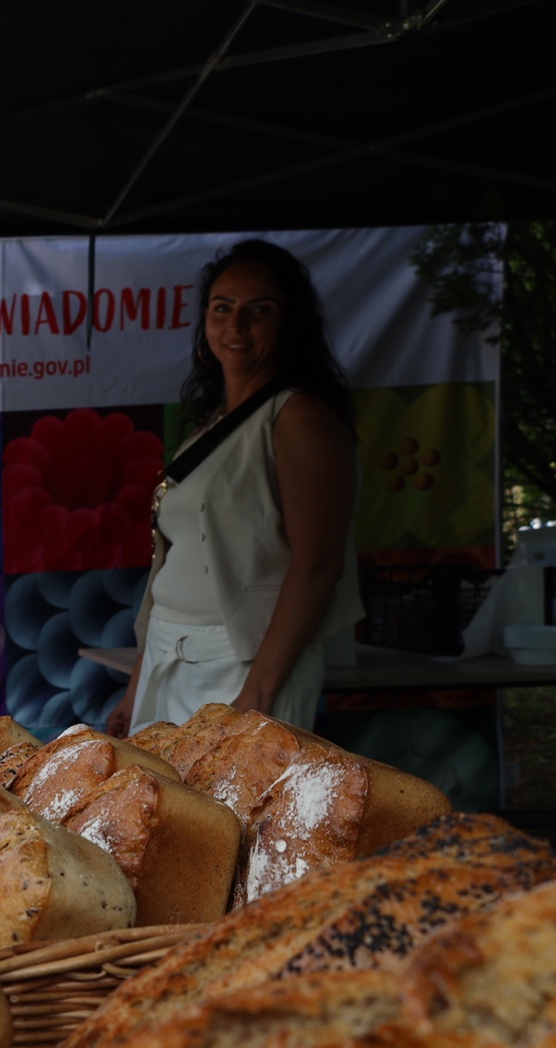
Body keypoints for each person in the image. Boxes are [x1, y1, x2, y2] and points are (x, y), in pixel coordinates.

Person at [107, 239, 363, 737]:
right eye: (222, 308)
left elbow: (317, 567)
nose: (236, 325)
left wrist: (258, 696)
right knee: (158, 790)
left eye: (259, 310)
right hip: (166, 656)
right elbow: (172, 567)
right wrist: (136, 687)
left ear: (290, 324)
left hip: (243, 667)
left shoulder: (300, 416)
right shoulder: (212, 426)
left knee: (234, 791)